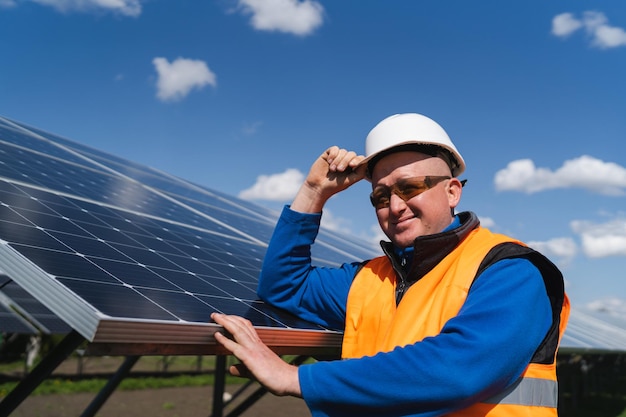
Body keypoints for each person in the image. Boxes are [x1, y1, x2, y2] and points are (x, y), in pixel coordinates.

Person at [212, 113, 570, 416]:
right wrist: (312, 192)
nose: (394, 206)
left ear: (453, 191)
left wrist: (295, 378)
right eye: (381, 195)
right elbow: (284, 287)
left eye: (411, 187)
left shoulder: (511, 270)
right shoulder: (368, 279)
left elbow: (459, 369)